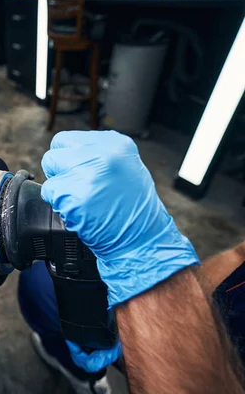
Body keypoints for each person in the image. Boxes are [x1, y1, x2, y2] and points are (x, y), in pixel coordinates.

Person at [19, 130, 245, 394]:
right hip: (212, 328)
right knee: (41, 281)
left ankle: (91, 383)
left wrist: (148, 278)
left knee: (42, 292)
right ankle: (80, 370)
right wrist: (177, 293)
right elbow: (238, 257)